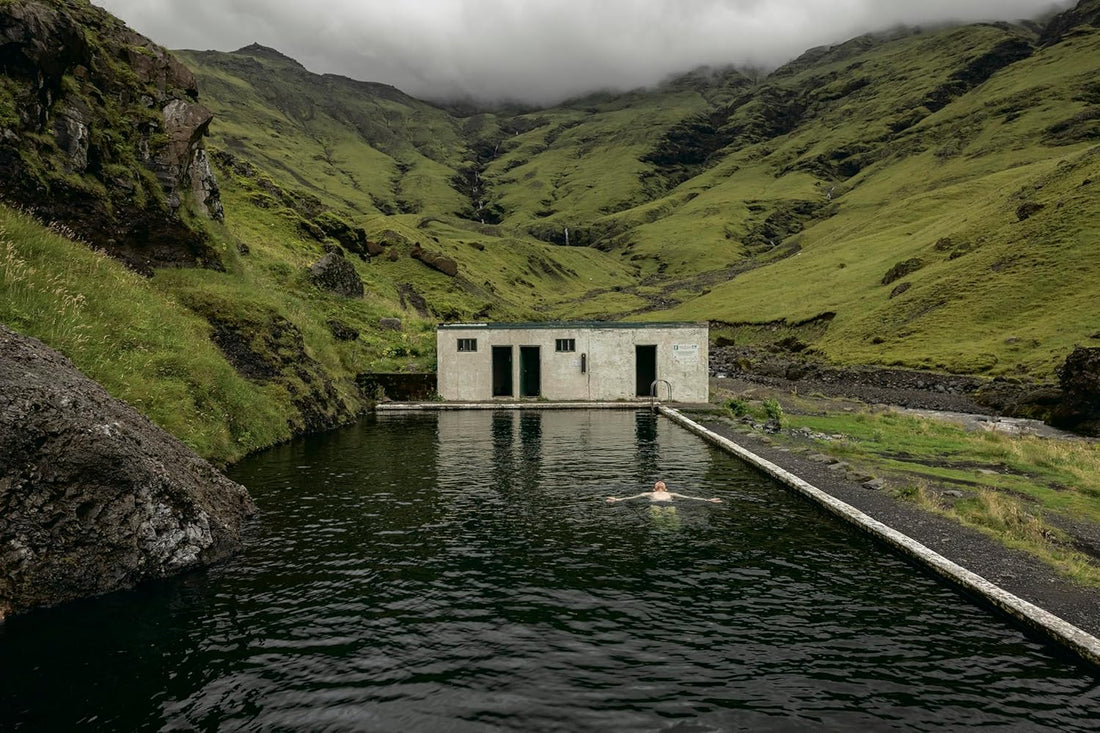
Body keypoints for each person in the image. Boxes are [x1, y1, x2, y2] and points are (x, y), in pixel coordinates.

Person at [606, 481, 721, 504]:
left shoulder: (672, 494)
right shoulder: (648, 494)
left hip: (669, 504)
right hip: (655, 504)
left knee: (672, 518)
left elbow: (689, 497)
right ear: (654, 489)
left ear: (666, 489)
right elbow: (632, 497)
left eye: (662, 482)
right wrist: (617, 499)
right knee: (657, 518)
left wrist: (707, 500)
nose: (660, 482)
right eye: (657, 483)